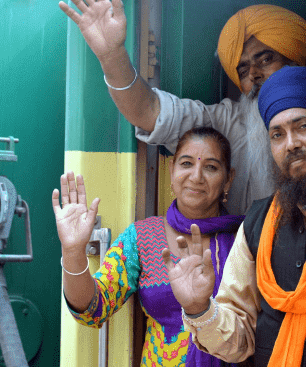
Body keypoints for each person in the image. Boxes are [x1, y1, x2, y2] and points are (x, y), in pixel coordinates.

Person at [59, 0, 306, 215]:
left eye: (266, 59)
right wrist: (112, 56)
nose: (254, 75)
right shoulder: (227, 121)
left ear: (296, 62)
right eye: (242, 69)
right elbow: (147, 112)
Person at [162, 66, 306, 367]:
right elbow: (239, 340)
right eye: (277, 134)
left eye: (303, 127)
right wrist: (198, 309)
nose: (291, 144)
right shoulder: (257, 223)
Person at [53, 127, 248, 367]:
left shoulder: (246, 240)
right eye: (187, 163)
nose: (196, 176)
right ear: (171, 169)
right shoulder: (142, 237)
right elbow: (93, 309)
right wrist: (73, 252)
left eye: (211, 167)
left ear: (228, 179)